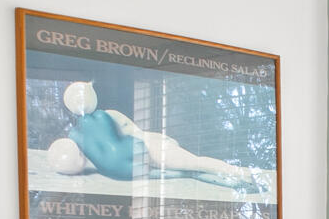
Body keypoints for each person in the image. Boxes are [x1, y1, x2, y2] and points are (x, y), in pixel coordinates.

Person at [41, 80, 264, 191]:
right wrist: (161, 141)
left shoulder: (79, 133)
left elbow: (81, 160)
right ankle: (240, 174)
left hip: (137, 160)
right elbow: (138, 134)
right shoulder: (107, 116)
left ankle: (238, 179)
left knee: (191, 171)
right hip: (147, 149)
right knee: (195, 165)